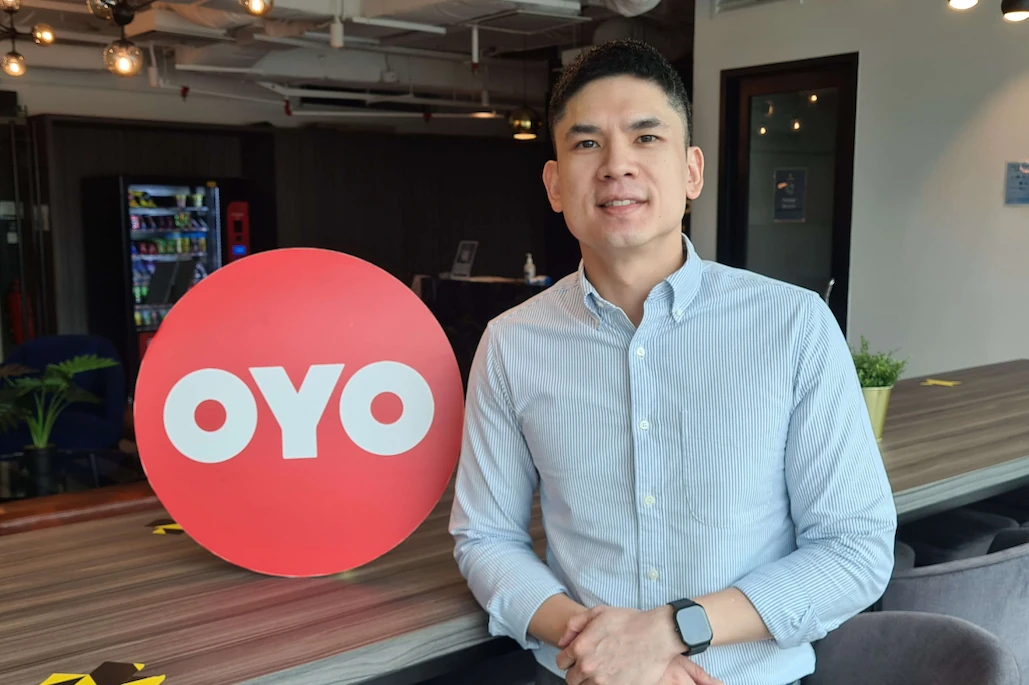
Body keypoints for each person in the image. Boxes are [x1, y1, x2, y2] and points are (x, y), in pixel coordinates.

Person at [449, 38, 897, 685]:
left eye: (644, 138)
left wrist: (667, 632)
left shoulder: (791, 324)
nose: (615, 165)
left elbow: (852, 547)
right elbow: (485, 536)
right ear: (554, 184)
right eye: (585, 143)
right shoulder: (511, 342)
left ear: (692, 172)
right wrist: (601, 650)